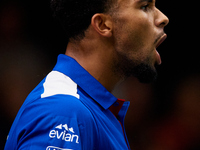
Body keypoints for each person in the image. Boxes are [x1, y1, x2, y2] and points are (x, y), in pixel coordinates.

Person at [4, 0, 169, 149]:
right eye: (145, 6)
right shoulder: (63, 113)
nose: (163, 18)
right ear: (103, 24)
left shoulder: (86, 109)